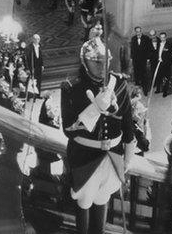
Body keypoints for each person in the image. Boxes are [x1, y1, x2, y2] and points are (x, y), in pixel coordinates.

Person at [61, 37, 136, 234]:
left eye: (105, 61)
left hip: (113, 155)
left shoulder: (118, 83)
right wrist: (94, 110)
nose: (102, 66)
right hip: (84, 156)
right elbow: (68, 127)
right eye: (96, 61)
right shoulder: (71, 86)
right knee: (84, 201)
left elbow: (127, 122)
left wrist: (128, 156)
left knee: (103, 198)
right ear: (85, 61)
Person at [130, 26, 153, 95]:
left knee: (144, 75)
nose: (138, 33)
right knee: (136, 75)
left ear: (141, 31)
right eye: (137, 32)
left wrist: (148, 58)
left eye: (139, 31)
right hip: (136, 60)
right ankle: (137, 92)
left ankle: (145, 90)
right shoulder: (133, 39)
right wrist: (132, 58)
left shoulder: (146, 38)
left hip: (144, 60)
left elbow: (150, 49)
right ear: (135, 32)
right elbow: (132, 49)